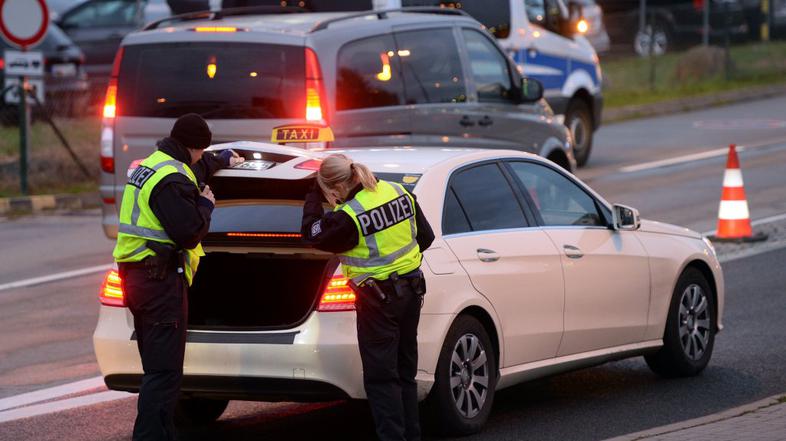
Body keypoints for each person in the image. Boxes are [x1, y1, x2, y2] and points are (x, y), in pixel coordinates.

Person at [112, 113, 244, 441]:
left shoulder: (155, 164)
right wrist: (205, 204)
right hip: (158, 283)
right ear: (192, 147)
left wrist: (221, 159)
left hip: (138, 278)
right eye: (202, 151)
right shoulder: (173, 181)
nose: (201, 158)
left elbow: (194, 168)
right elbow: (188, 232)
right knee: (164, 373)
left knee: (158, 370)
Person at [301, 154, 435, 441]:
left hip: (379, 302)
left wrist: (313, 196)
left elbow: (311, 233)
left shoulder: (347, 218)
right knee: (404, 374)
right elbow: (426, 237)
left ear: (334, 188)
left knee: (381, 380)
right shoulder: (398, 191)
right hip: (411, 293)